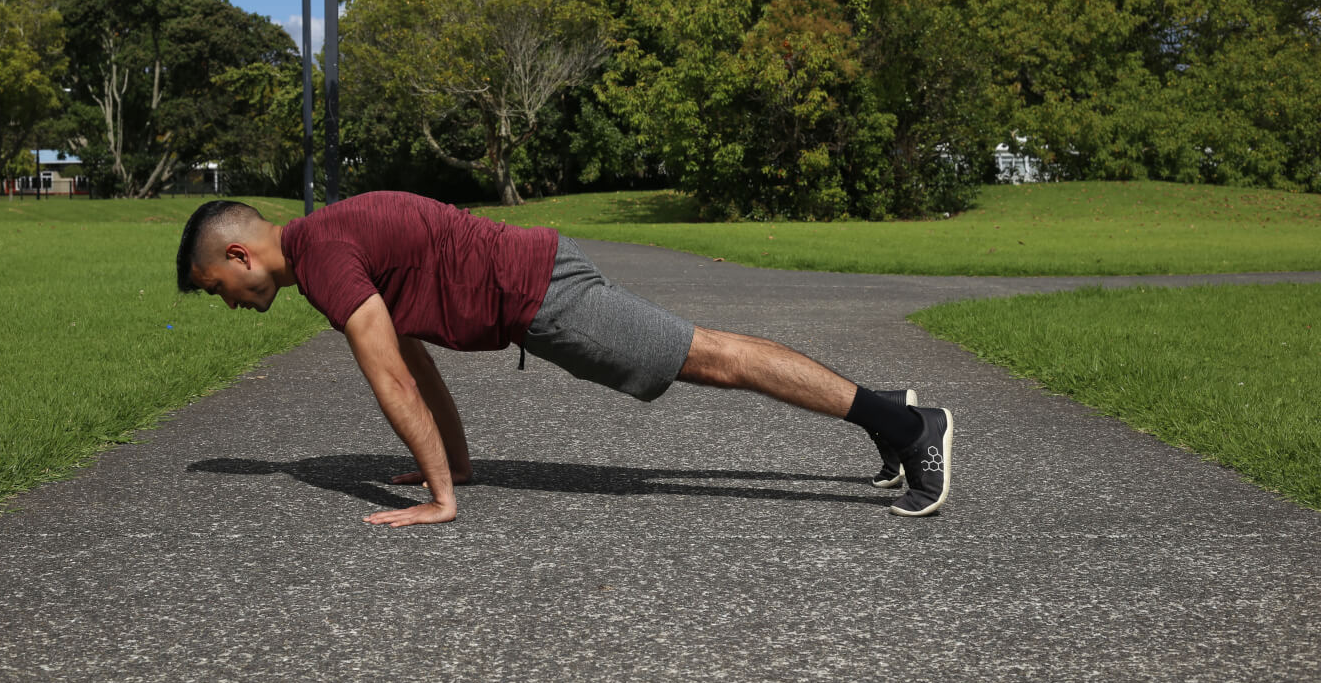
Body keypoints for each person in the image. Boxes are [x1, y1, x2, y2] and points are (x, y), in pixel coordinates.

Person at [176, 192, 954, 528]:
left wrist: (442, 499)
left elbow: (391, 379)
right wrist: (460, 464)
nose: (230, 303)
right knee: (704, 358)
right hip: (535, 291)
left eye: (219, 288)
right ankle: (884, 411)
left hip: (541, 295)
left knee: (709, 358)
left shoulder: (325, 259)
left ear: (241, 254)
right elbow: (414, 361)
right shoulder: (324, 247)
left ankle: (912, 426)